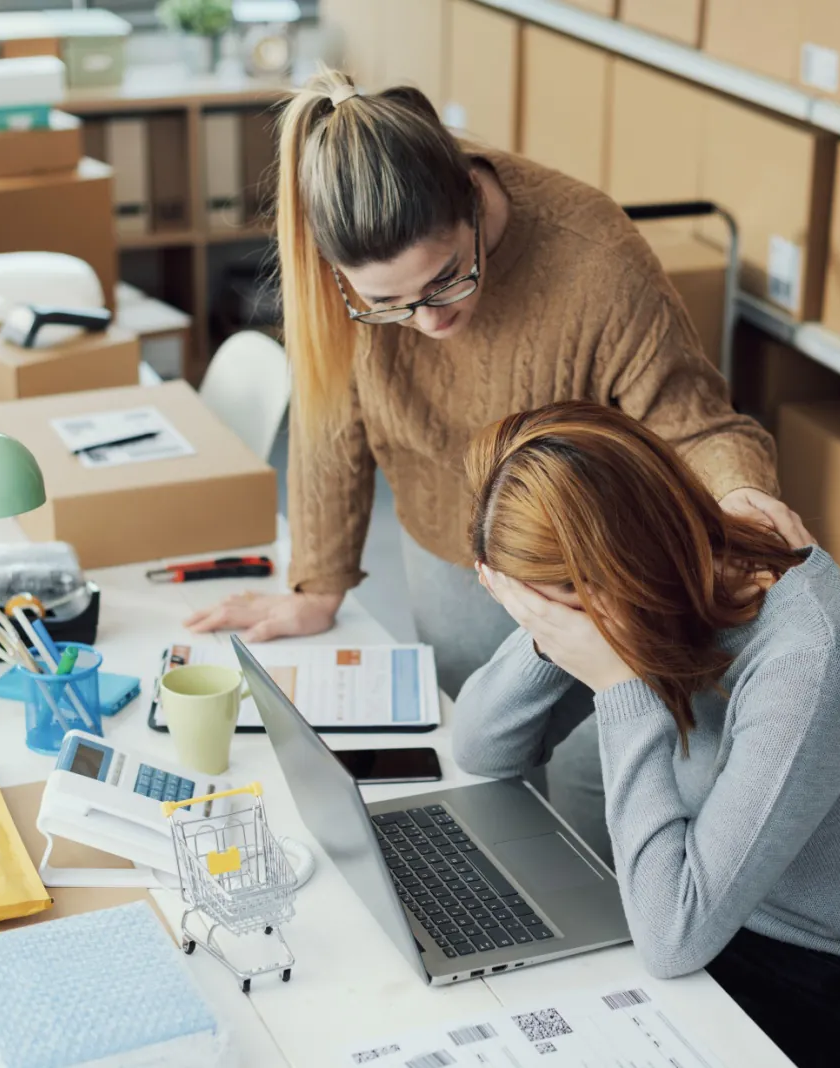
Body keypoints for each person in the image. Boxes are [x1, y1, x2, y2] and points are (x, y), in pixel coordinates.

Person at [182, 69, 806, 853]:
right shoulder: (334, 265)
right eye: (390, 304)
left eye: (448, 277)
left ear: (474, 202)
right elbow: (328, 413)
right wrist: (318, 580)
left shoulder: (593, 257)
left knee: (597, 803)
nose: (430, 319)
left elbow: (692, 421)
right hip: (445, 549)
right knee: (481, 785)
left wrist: (740, 494)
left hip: (594, 569)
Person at [454, 401, 840, 1068]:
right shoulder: (664, 582)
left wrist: (617, 686)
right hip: (715, 910)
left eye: (559, 601)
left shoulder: (812, 657)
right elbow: (480, 748)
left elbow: (672, 939)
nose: (549, 620)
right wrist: (547, 632)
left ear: (623, 568)